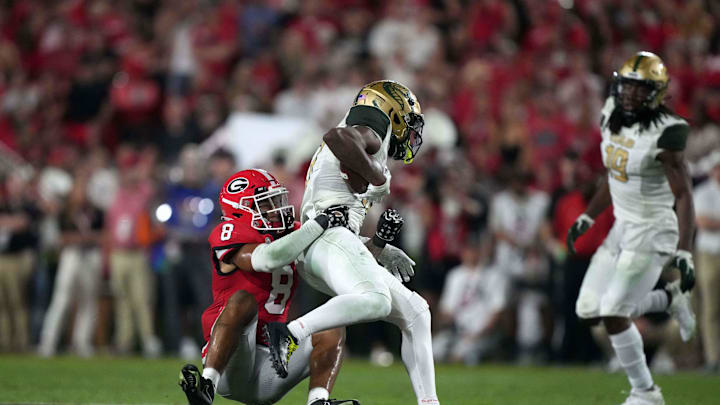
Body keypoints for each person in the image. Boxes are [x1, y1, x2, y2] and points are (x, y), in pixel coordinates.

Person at [264, 80, 440, 405]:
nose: (412, 136)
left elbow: (344, 210)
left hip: (330, 239)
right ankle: (291, 332)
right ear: (393, 111)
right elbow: (336, 137)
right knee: (377, 300)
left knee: (416, 312)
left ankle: (429, 403)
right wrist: (377, 175)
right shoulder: (374, 122)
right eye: (409, 124)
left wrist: (379, 247)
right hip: (326, 237)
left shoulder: (370, 138)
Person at [566, 52, 696, 405]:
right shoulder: (611, 113)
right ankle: (670, 297)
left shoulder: (668, 131)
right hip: (622, 226)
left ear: (655, 93)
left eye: (639, 89)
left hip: (653, 229)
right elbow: (615, 172)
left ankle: (645, 392)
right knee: (588, 309)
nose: (629, 95)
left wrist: (684, 249)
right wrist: (589, 216)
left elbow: (683, 195)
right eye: (626, 86)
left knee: (614, 313)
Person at [178, 169, 358, 405]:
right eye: (265, 203)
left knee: (331, 322)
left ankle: (318, 401)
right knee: (243, 300)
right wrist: (319, 224)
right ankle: (207, 385)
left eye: (276, 199)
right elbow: (265, 258)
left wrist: (379, 243)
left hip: (273, 364)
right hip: (231, 361)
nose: (276, 208)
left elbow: (348, 260)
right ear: (240, 209)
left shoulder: (293, 232)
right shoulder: (229, 231)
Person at [433, 236, 509, 365]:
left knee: (462, 355)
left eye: (474, 250)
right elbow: (446, 309)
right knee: (434, 351)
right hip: (456, 332)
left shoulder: (494, 275)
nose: (470, 254)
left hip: (481, 334)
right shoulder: (455, 275)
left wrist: (478, 335)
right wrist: (446, 324)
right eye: (468, 250)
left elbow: (497, 311)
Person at [693, 150, 720, 373]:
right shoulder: (703, 192)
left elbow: (710, 221)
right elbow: (702, 221)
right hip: (709, 253)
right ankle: (713, 358)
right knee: (710, 308)